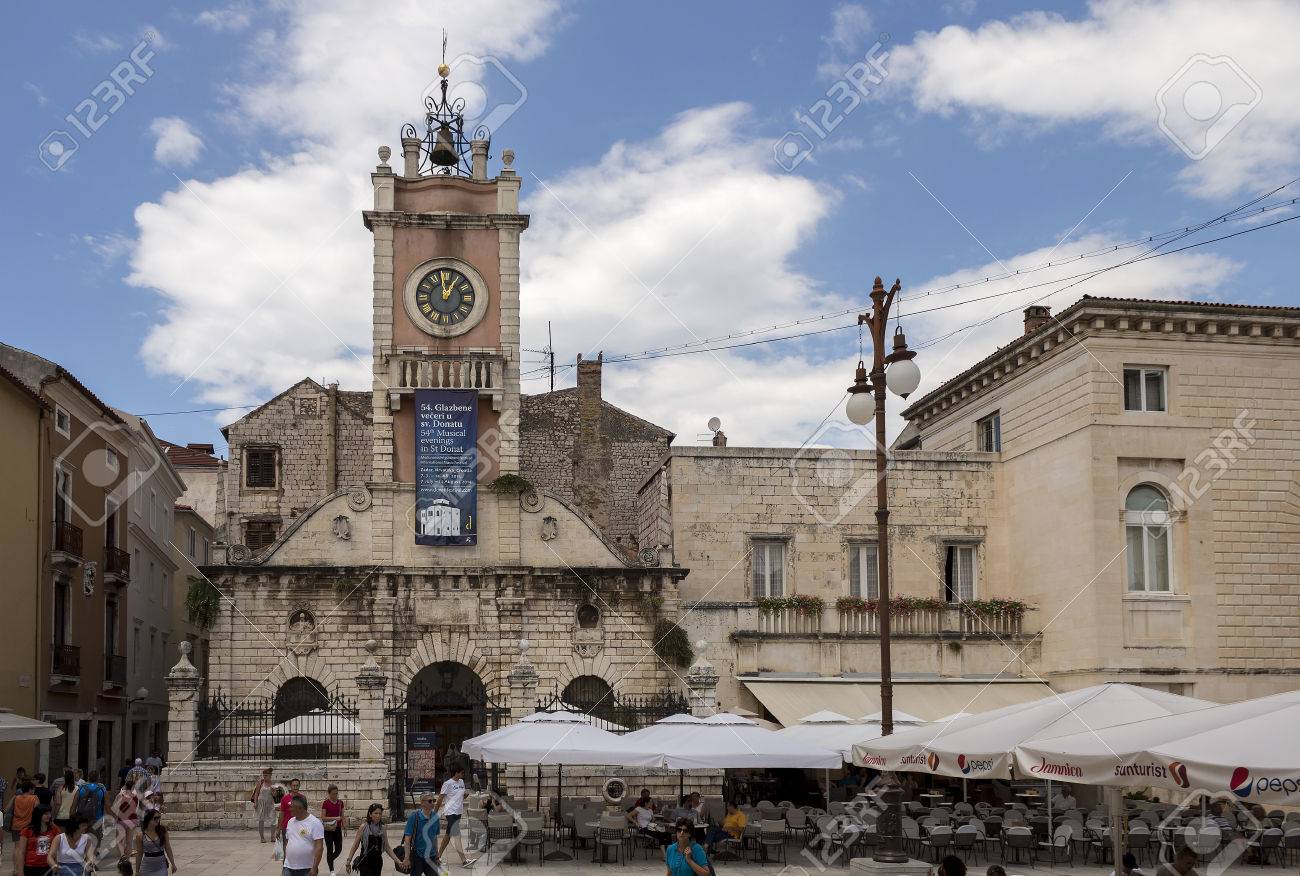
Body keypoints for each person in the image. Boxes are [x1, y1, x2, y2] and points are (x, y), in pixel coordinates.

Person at [344, 804, 401, 876]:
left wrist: (398, 861)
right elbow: (355, 845)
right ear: (370, 814)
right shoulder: (363, 827)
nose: (378, 816)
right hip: (365, 862)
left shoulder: (382, 828)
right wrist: (348, 861)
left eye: (380, 813)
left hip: (377, 863)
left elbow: (387, 847)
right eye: (376, 813)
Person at [435, 765, 474, 866]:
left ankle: (437, 857)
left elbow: (462, 796)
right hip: (450, 812)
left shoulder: (461, 782)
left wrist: (466, 794)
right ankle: (464, 860)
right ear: (456, 773)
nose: (463, 774)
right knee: (457, 835)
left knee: (448, 835)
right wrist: (435, 812)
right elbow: (440, 798)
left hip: (458, 812)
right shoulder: (447, 784)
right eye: (461, 772)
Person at [283, 794, 324, 876]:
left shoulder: (315, 823)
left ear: (300, 808)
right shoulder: (290, 822)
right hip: (288, 867)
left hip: (307, 869)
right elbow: (287, 842)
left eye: (291, 807)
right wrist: (285, 860)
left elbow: (319, 848)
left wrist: (315, 867)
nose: (289, 809)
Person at [402, 791, 441, 876]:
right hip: (417, 856)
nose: (433, 803)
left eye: (434, 800)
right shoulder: (414, 817)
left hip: (431, 856)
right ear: (422, 803)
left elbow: (434, 838)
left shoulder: (435, 817)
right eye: (430, 801)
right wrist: (406, 858)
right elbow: (407, 839)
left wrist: (437, 855)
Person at [17, 805, 61, 876]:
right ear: (38, 815)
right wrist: (20, 871)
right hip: (31, 866)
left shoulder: (54, 829)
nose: (49, 816)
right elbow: (21, 852)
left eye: (49, 813)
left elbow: (58, 849)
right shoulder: (26, 830)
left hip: (48, 866)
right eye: (46, 814)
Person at [133, 809, 176, 876]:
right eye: (155, 818)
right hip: (146, 867)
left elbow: (168, 848)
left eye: (159, 817)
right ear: (148, 819)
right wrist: (137, 871)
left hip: (161, 866)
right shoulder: (140, 836)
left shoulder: (163, 831)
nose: (158, 820)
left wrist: (173, 864)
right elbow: (139, 853)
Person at [112, 779, 142, 858]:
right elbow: (136, 809)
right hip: (132, 820)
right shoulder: (136, 797)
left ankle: (122, 856)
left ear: (125, 786)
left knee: (119, 840)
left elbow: (115, 808)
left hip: (122, 820)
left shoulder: (120, 796)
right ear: (133, 787)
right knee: (129, 841)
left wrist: (115, 819)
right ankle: (127, 859)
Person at [321, 785, 345, 876]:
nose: (335, 795)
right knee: (330, 849)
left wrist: (344, 826)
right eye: (333, 794)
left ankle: (329, 859)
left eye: (336, 793)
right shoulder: (325, 803)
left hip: (337, 829)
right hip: (328, 829)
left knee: (339, 849)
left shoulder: (340, 803)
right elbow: (323, 817)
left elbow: (342, 816)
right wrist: (335, 818)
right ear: (329, 793)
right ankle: (332, 870)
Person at [251, 768, 276, 843]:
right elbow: (256, 793)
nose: (264, 777)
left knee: (273, 820)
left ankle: (273, 836)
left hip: (270, 804)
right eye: (264, 775)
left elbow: (275, 795)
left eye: (266, 775)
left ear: (270, 775)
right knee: (261, 820)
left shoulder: (273, 784)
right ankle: (262, 837)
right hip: (261, 803)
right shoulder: (261, 783)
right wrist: (255, 803)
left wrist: (273, 792)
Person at [279, 779, 302, 848]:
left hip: (299, 826)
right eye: (294, 785)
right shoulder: (285, 799)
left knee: (299, 845)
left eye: (297, 785)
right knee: (286, 845)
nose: (295, 787)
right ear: (291, 786)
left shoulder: (303, 798)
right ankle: (286, 856)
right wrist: (278, 828)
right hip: (286, 826)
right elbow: (281, 813)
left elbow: (304, 813)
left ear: (299, 786)